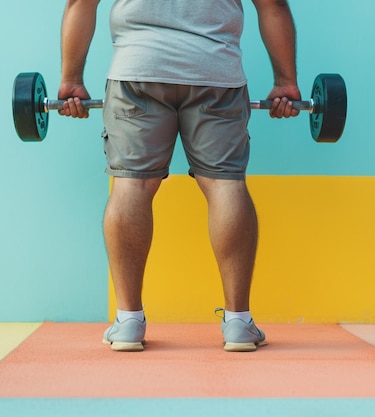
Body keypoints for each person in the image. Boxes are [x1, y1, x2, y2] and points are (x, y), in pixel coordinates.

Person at [58, 0, 301, 352]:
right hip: (216, 70)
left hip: (137, 68)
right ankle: (238, 323)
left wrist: (70, 79)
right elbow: (273, 5)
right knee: (225, 185)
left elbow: (81, 2)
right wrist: (286, 81)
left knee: (132, 185)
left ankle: (128, 321)